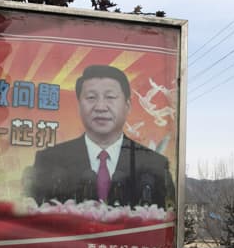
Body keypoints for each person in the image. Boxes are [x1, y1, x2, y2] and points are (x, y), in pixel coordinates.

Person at [25, 65, 175, 209]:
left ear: (127, 106)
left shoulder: (155, 165)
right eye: (91, 97)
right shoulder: (49, 161)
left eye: (110, 97)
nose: (100, 107)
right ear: (79, 106)